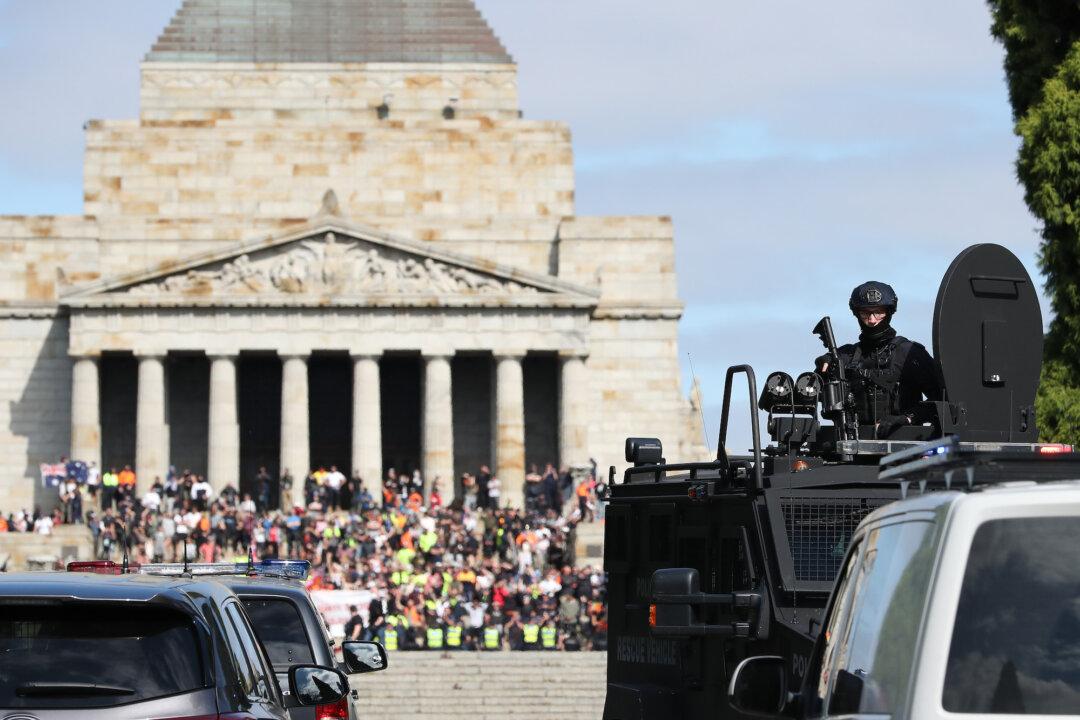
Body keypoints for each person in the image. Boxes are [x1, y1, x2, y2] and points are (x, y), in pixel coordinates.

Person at [817, 281, 943, 438]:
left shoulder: (910, 353)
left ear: (889, 312)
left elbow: (941, 399)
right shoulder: (845, 356)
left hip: (906, 446)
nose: (872, 320)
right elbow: (814, 391)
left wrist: (908, 418)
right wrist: (822, 369)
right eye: (865, 313)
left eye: (878, 312)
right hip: (852, 445)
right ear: (857, 314)